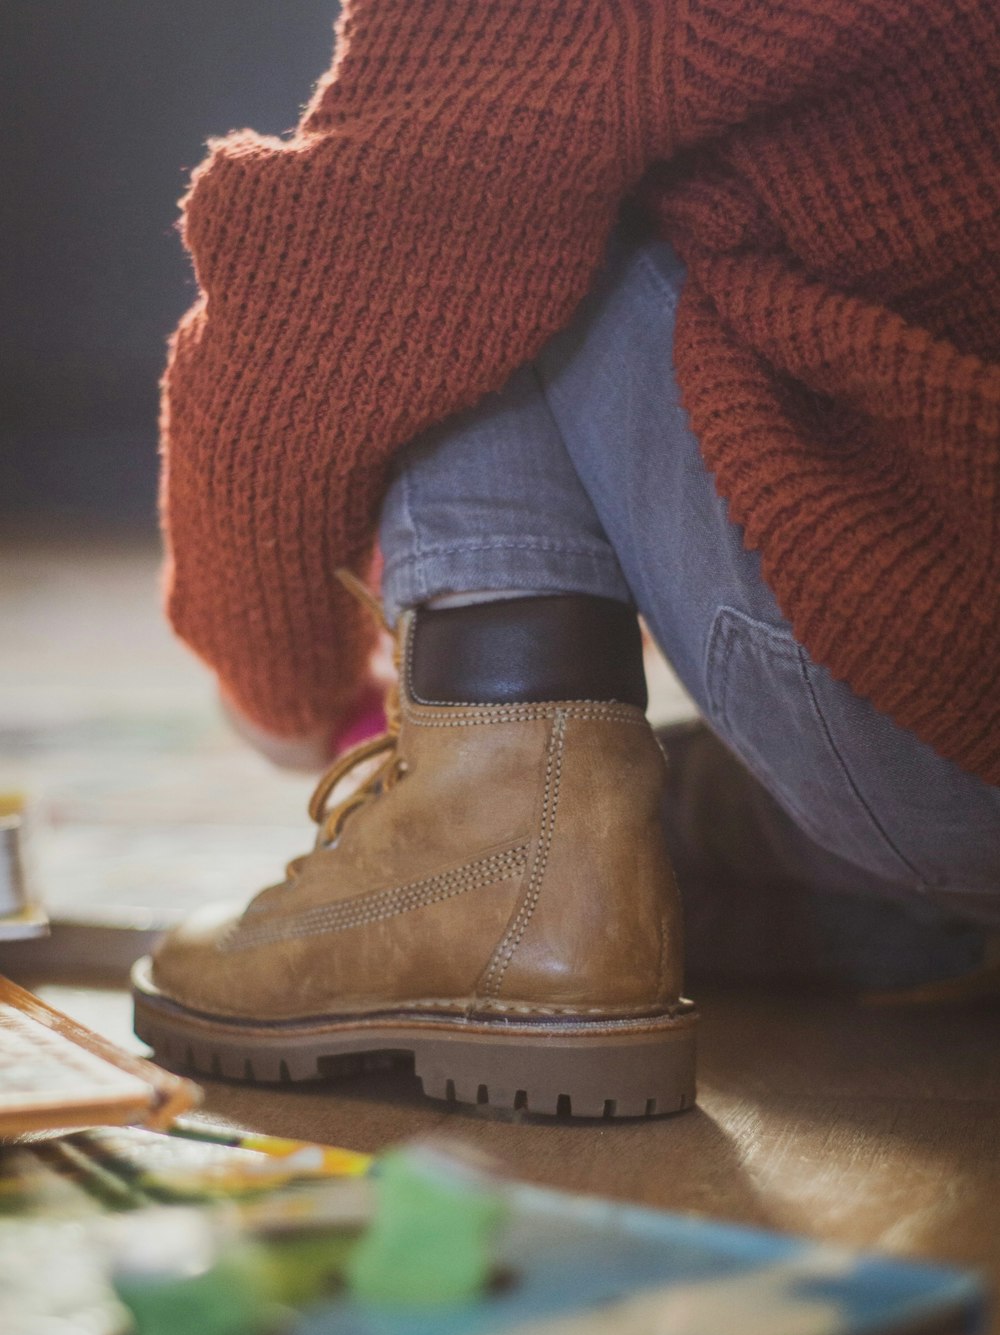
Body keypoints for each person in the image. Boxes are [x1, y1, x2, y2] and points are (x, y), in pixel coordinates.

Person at [132, 0, 1000, 1118]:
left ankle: (497, 833)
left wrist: (278, 682)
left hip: (943, 710)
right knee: (628, 821)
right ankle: (573, 861)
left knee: (461, 191)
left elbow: (318, 279)